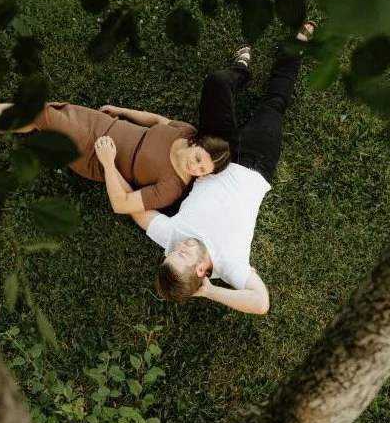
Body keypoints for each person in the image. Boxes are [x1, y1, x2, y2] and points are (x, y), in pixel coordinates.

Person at [93, 21, 316, 315]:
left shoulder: (171, 238)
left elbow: (133, 207)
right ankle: (294, 47)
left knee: (215, 84)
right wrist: (210, 292)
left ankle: (240, 70)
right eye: (182, 255)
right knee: (273, 104)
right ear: (201, 271)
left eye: (172, 253)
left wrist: (109, 164)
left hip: (213, 156)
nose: (178, 247)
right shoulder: (230, 264)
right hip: (257, 163)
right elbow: (261, 304)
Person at [0, 100, 230, 213]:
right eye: (199, 159)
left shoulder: (171, 188)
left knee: (41, 113)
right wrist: (123, 112)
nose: (194, 167)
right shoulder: (185, 131)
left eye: (202, 171)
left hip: (93, 154)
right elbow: (158, 121)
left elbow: (122, 204)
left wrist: (108, 162)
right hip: (104, 124)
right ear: (196, 143)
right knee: (46, 115)